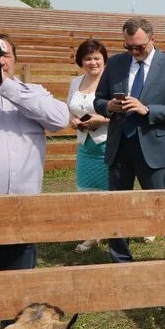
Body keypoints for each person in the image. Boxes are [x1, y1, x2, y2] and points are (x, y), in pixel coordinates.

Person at [94, 18, 165, 263]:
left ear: (153, 40)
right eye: (128, 47)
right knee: (118, 206)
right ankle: (120, 259)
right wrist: (109, 105)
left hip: (152, 146)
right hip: (119, 146)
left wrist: (147, 109)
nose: (133, 52)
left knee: (161, 206)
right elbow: (98, 100)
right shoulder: (117, 63)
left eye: (138, 47)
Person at [0, 33, 69, 270]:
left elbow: (59, 119)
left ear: (15, 60)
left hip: (22, 212)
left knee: (20, 289)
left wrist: (8, 88)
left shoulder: (31, 92)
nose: (0, 62)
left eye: (5, 55)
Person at [67, 39, 111, 253]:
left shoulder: (112, 81)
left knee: (111, 191)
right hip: (85, 145)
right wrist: (73, 120)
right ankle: (93, 233)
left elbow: (122, 113)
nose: (92, 62)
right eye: (87, 58)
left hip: (108, 143)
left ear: (104, 60)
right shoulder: (75, 82)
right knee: (86, 190)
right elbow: (71, 108)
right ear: (80, 61)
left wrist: (101, 120)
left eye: (96, 58)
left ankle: (117, 230)